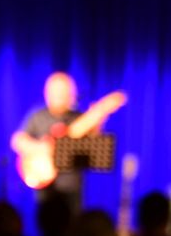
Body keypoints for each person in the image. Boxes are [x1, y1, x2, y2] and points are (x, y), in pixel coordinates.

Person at [10, 72, 125, 211]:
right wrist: (42, 148)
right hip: (45, 183)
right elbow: (17, 140)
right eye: (56, 91)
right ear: (47, 93)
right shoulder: (37, 116)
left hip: (72, 185)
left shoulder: (78, 117)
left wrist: (98, 117)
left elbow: (94, 144)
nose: (60, 95)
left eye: (64, 91)